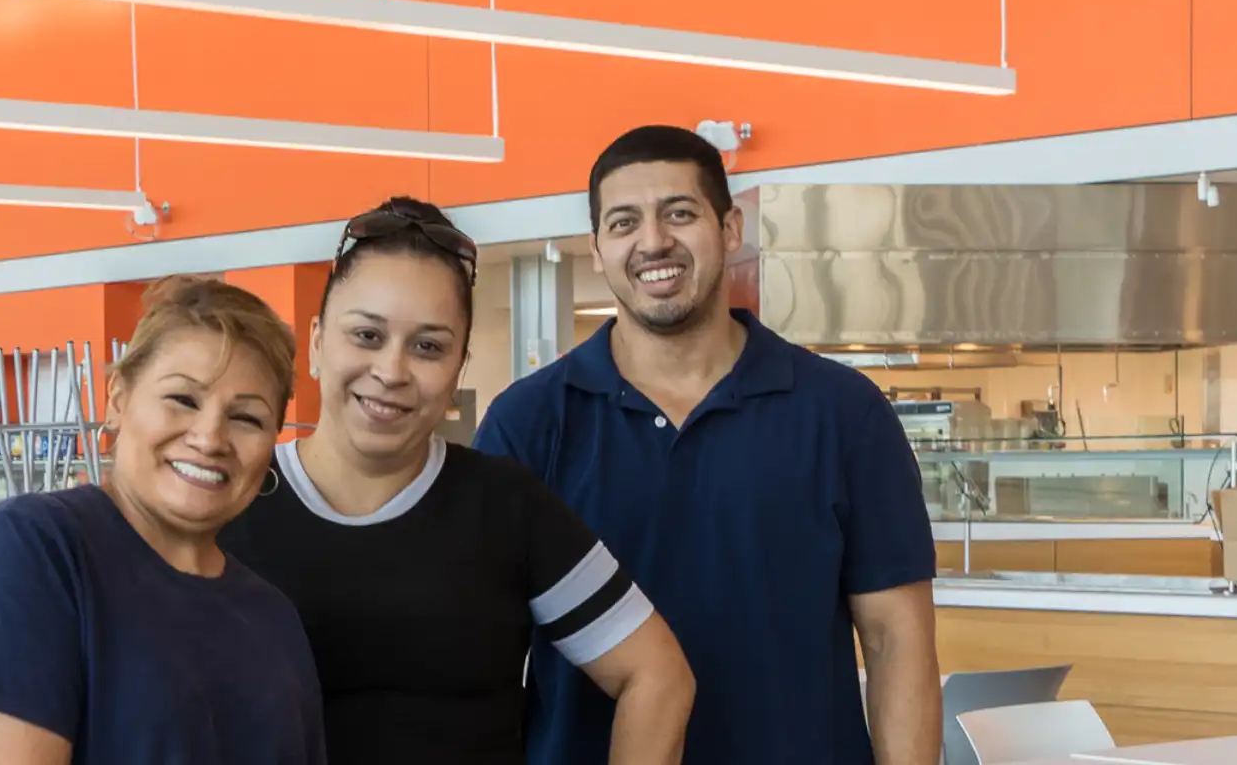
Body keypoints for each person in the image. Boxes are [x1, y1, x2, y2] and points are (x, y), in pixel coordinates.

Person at [475, 126, 941, 765]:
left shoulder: (844, 413)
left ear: (730, 229)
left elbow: (897, 640)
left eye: (680, 213)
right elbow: (484, 658)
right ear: (598, 250)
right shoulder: (527, 423)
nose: (653, 241)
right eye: (623, 223)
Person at [219, 197, 695, 765]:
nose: (392, 372)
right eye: (367, 336)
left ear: (458, 369)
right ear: (318, 342)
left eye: (428, 347)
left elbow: (657, 676)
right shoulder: (231, 499)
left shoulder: (505, 506)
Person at [0, 277, 328, 765]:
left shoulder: (272, 617)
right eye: (183, 399)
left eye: (247, 418)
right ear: (117, 399)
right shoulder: (34, 552)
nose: (211, 437)